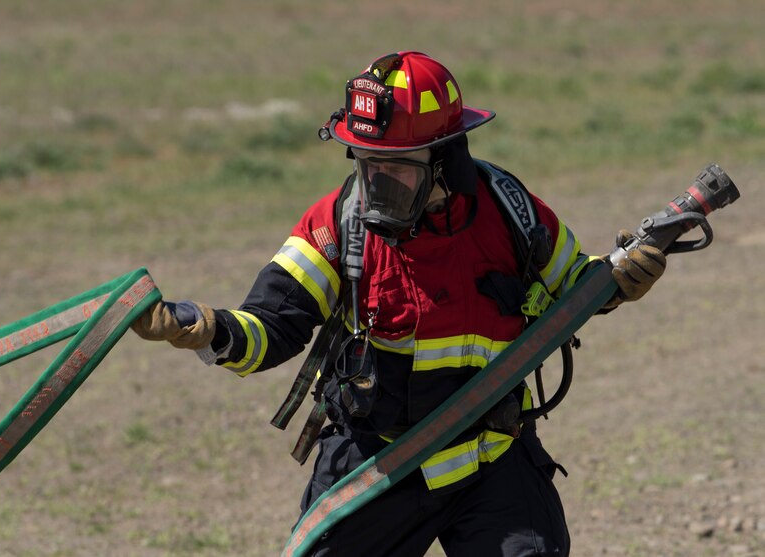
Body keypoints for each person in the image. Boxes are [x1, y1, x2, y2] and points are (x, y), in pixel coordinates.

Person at [132, 51, 666, 557]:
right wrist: (200, 328)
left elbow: (576, 287)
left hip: (492, 459)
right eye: (367, 165)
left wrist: (620, 281)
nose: (375, 186)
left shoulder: (511, 210)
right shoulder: (336, 224)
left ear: (447, 163)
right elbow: (272, 324)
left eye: (396, 169)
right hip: (376, 464)